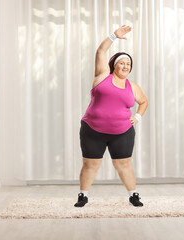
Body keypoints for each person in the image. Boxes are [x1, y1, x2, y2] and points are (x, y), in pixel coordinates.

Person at [74, 25, 148, 207]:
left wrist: (137, 117)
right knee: (90, 165)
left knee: (123, 164)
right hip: (93, 130)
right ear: (114, 65)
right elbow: (100, 51)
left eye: (128, 64)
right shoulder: (102, 76)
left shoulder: (133, 86)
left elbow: (144, 102)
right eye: (122, 63)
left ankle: (133, 195)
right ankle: (83, 195)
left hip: (122, 131)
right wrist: (114, 36)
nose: (125, 66)